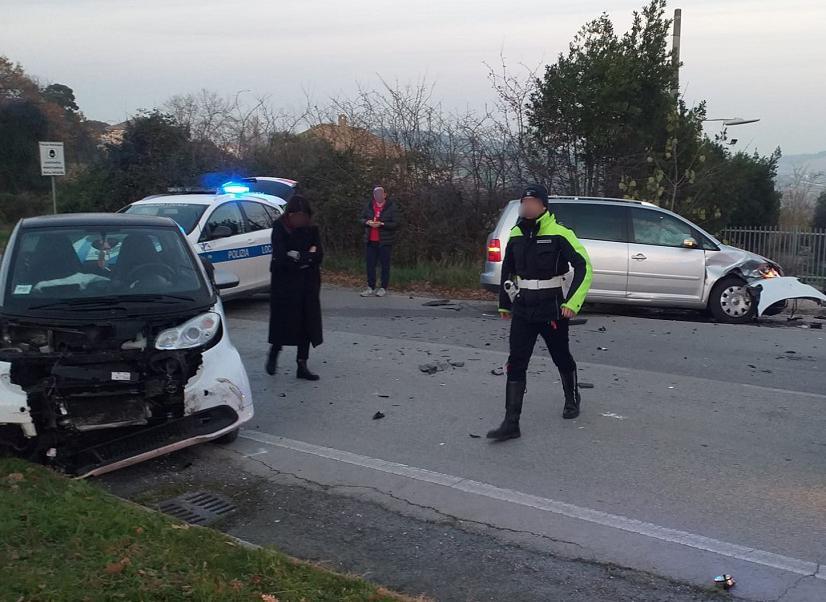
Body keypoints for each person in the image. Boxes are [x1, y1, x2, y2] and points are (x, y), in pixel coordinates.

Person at [487, 184, 593, 441]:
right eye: (525, 202)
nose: (527, 206)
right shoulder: (515, 234)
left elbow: (584, 267)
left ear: (543, 206)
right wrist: (504, 303)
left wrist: (572, 303)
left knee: (561, 357)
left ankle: (572, 397)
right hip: (523, 307)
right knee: (516, 362)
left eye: (533, 202)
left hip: (552, 308)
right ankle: (511, 423)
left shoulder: (560, 233)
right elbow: (507, 271)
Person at [266, 195, 323, 381]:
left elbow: (318, 255)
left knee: (307, 323)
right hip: (285, 283)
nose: (300, 219)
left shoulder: (312, 229)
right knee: (283, 321)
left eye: (303, 215)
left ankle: (302, 364)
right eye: (297, 215)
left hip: (308, 282)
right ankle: (275, 349)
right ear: (289, 214)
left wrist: (299, 257)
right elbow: (281, 257)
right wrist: (306, 257)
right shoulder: (280, 227)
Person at [359, 186, 399, 297]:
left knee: (384, 265)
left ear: (384, 195)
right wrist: (368, 222)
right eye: (376, 194)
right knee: (370, 265)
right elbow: (361, 219)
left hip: (384, 241)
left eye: (380, 194)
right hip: (370, 241)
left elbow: (395, 224)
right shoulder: (369, 206)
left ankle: (383, 287)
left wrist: (382, 224)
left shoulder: (391, 207)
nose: (378, 196)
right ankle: (370, 287)